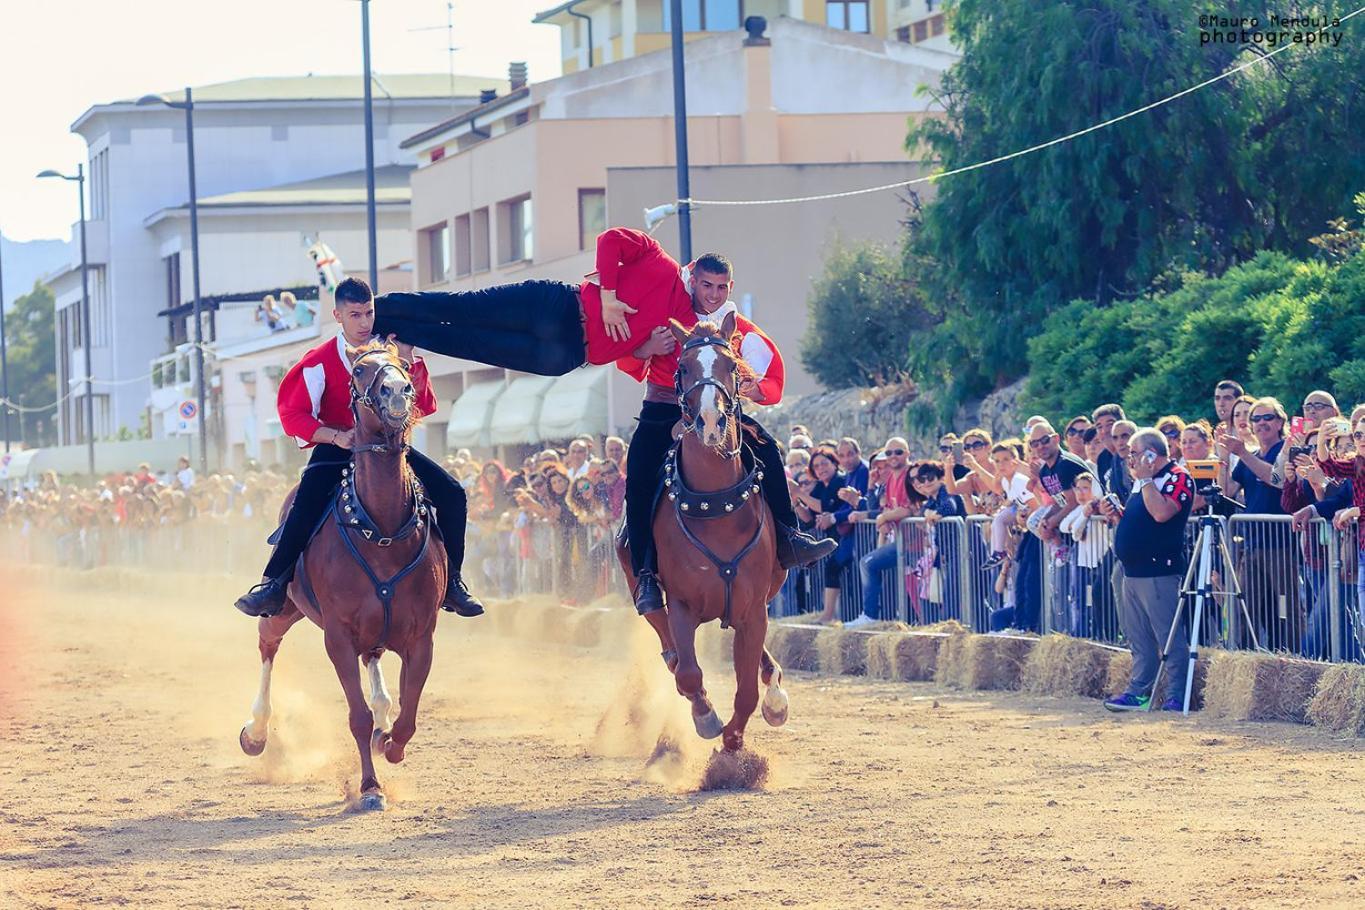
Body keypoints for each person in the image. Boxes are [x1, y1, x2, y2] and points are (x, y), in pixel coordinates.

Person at [232, 277, 484, 619]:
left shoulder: (391, 356)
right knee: (304, 504)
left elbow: (422, 407)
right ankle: (273, 585)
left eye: (368, 313)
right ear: (338, 315)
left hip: (391, 449)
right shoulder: (319, 361)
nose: (364, 323)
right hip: (338, 445)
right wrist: (335, 437)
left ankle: (452, 583)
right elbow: (292, 414)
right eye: (355, 315)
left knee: (453, 493)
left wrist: (409, 362)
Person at [1104, 429, 1195, 712]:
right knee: (1139, 637)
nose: (1129, 460)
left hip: (1159, 571)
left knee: (1169, 635)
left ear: (1150, 455)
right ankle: (1140, 691)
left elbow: (1162, 513)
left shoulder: (1178, 476)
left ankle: (1178, 694)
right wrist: (1117, 515)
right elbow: (1142, 521)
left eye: (1134, 453)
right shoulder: (1143, 482)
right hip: (1132, 571)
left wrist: (1143, 480)